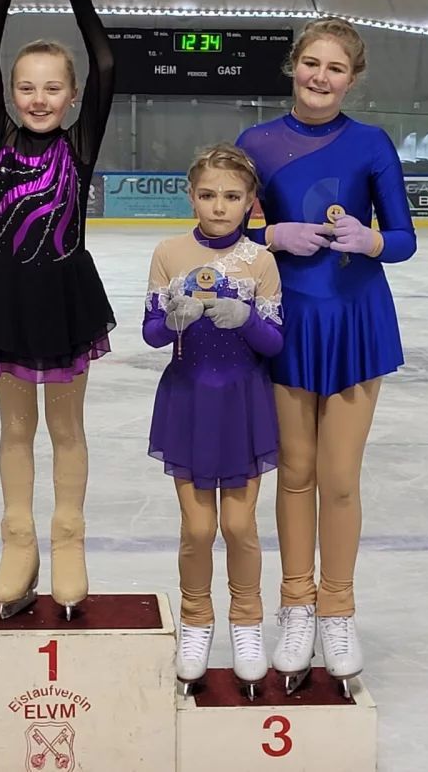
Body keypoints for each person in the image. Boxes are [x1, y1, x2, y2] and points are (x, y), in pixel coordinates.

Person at [233, 18, 417, 695]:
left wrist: (371, 242)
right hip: (286, 322)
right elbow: (223, 227)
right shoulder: (256, 143)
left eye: (335, 68)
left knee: (339, 478)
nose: (320, 76)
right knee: (296, 474)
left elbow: (404, 238)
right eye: (312, 63)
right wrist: (270, 234)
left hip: (356, 323)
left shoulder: (371, 143)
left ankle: (337, 609)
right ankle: (296, 607)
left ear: (352, 78)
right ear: (294, 66)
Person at [0, 0, 116, 619]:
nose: (38, 97)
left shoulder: (79, 145)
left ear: (73, 94)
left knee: (67, 429)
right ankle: (18, 541)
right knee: (14, 430)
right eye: (26, 87)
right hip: (5, 295)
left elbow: (107, 60)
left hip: (65, 294)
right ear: (9, 94)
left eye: (53, 87)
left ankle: (68, 538)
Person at [141, 144, 283, 699]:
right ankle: (196, 622)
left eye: (231, 196)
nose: (219, 206)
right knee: (199, 528)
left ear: (250, 202)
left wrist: (245, 318)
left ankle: (247, 623)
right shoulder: (169, 253)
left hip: (243, 402)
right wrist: (172, 318)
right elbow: (151, 333)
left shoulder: (260, 261)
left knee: (240, 526)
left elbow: (273, 341)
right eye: (207, 195)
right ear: (191, 197)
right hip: (188, 400)